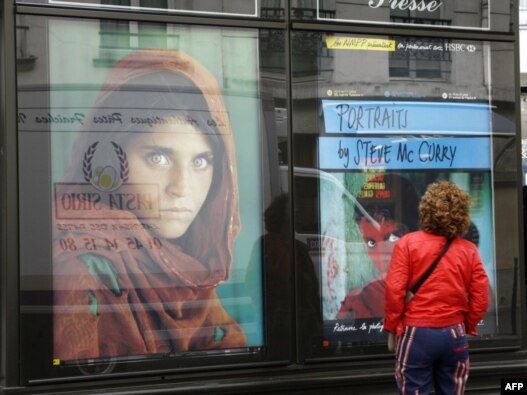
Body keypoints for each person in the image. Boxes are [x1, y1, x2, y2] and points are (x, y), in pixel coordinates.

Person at [52, 49, 246, 361]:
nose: (182, 187)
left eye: (201, 161)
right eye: (158, 158)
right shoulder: (82, 272)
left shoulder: (187, 271)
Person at [384, 180, 489, 395]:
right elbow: (481, 299)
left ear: (426, 210)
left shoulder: (407, 244)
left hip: (416, 332)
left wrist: (393, 326)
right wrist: (465, 325)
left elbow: (395, 292)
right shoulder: (469, 250)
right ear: (462, 214)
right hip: (454, 333)